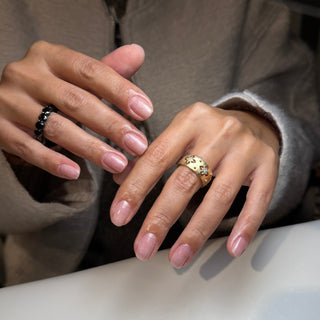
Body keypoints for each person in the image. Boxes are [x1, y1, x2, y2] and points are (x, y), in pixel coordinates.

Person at [0, 0, 319, 286]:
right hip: (48, 288)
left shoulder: (243, 9)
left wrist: (262, 123)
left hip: (224, 278)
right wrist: (17, 156)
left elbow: (304, 114)